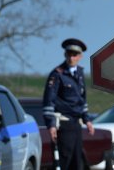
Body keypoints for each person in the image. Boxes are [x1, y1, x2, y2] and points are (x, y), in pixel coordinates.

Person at [42, 38, 95, 170]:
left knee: (77, 162)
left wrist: (87, 120)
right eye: (69, 54)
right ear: (65, 54)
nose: (72, 57)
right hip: (64, 125)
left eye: (75, 54)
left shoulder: (80, 73)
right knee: (64, 161)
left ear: (80, 56)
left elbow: (82, 99)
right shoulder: (57, 74)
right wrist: (51, 124)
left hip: (76, 124)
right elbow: (49, 101)